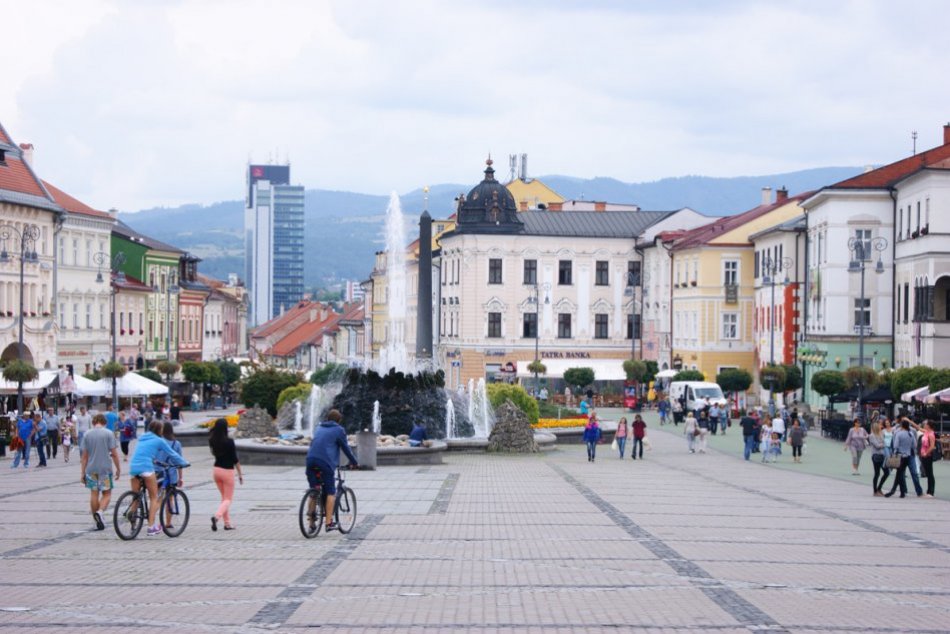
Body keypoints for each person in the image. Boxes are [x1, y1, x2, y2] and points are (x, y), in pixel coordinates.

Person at [128, 421, 189, 537]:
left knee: (135, 497)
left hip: (133, 467)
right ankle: (151, 527)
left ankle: (132, 516)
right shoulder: (159, 440)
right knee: (154, 497)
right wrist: (184, 463)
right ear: (159, 430)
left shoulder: (142, 438)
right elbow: (173, 454)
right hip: (146, 468)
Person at [305, 410, 357, 532]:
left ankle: (311, 524)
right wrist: (354, 462)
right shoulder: (339, 430)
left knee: (314, 490)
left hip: (310, 460)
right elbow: (346, 448)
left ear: (328, 419)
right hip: (325, 463)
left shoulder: (319, 427)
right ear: (339, 421)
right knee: (330, 492)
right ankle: (329, 523)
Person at [80, 413, 122, 530]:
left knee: (94, 494)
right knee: (107, 494)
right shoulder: (109, 433)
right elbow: (114, 454)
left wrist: (82, 473)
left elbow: (84, 456)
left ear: (94, 422)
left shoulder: (87, 434)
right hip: (105, 469)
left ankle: (96, 520)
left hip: (91, 469)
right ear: (105, 422)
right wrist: (118, 469)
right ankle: (100, 512)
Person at [208, 418, 243, 531]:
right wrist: (240, 474)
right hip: (227, 471)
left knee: (224, 499)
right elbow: (235, 459)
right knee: (228, 499)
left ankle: (227, 524)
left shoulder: (212, 441)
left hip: (216, 470)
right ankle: (216, 517)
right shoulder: (229, 442)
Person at [157, 422, 185, 528]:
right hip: (171, 475)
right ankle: (168, 523)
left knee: (157, 498)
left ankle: (152, 522)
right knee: (170, 499)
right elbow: (179, 462)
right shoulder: (176, 443)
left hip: (157, 473)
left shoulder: (158, 442)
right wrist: (181, 477)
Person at [885, 419, 916, 498]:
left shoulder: (899, 434)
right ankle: (901, 492)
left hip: (900, 456)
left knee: (899, 474)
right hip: (908, 455)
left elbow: (895, 445)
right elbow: (914, 445)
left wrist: (895, 452)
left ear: (902, 426)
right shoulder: (910, 434)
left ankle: (894, 490)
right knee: (900, 473)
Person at [918, 419, 938, 498]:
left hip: (928, 456)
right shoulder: (926, 432)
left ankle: (931, 492)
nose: (924, 425)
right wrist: (909, 421)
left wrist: (926, 453)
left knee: (930, 473)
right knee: (927, 473)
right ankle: (929, 491)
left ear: (929, 425)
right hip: (923, 455)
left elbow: (932, 446)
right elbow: (918, 428)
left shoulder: (931, 434)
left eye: (926, 424)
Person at [868, 421, 889, 496]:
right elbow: (877, 445)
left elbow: (885, 443)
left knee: (887, 472)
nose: (881, 427)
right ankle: (875, 490)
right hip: (876, 455)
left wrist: (882, 444)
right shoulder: (871, 436)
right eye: (879, 426)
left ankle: (879, 487)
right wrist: (882, 444)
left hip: (882, 455)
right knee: (877, 473)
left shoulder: (881, 434)